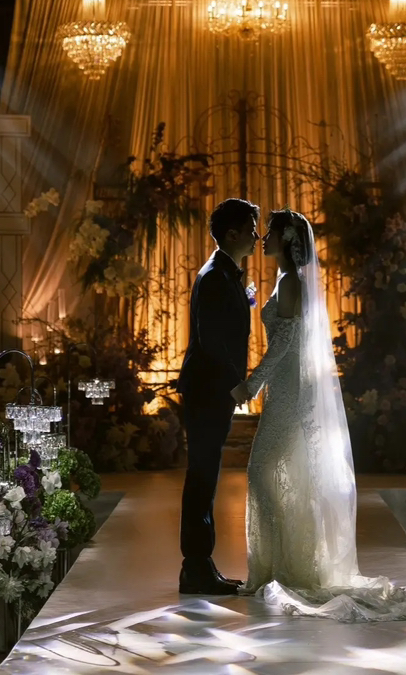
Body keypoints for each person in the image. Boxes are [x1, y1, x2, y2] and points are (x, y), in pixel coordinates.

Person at [230, 209, 406, 622]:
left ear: (287, 240)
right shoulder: (285, 281)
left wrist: (251, 384)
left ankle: (289, 568)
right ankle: (280, 566)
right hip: (286, 387)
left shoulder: (290, 282)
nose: (263, 239)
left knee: (261, 471)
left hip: (289, 388)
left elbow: (284, 345)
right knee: (281, 473)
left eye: (270, 232)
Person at [177, 198, 260, 594]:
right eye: (251, 230)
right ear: (232, 234)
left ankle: (199, 564)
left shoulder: (224, 273)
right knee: (202, 476)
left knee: (205, 475)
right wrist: (235, 384)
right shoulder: (214, 277)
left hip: (210, 390)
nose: (257, 237)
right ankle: (195, 566)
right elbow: (211, 341)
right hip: (207, 390)